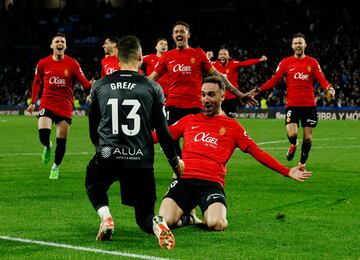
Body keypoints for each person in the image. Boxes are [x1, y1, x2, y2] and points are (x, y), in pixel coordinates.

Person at [152, 76, 312, 249]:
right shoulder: (190, 120)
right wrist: (129, 137)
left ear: (223, 96)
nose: (206, 99)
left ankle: (191, 217)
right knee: (165, 220)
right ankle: (188, 218)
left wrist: (286, 171)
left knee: (216, 223)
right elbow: (159, 136)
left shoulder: (233, 127)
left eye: (211, 95)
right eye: (203, 94)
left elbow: (256, 151)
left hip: (211, 184)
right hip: (185, 181)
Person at [86, 35, 184, 244]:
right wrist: (175, 162)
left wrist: (100, 148)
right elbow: (164, 132)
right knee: (143, 217)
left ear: (117, 58)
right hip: (141, 161)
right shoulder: (152, 87)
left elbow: (93, 128)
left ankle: (106, 217)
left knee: (93, 182)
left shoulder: (100, 86)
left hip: (108, 155)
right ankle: (157, 223)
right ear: (140, 56)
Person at [148, 21, 257, 158]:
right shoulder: (167, 56)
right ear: (172, 36)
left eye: (182, 31)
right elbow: (151, 79)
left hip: (195, 105)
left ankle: (192, 168)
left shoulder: (198, 54)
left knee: (196, 140)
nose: (179, 34)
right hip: (173, 105)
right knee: (170, 139)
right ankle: (178, 169)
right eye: (176, 32)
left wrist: (240, 95)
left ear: (188, 35)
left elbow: (219, 77)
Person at [249, 33, 335, 169]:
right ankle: (293, 144)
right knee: (292, 134)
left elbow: (321, 78)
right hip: (292, 104)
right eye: (295, 43)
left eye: (300, 43)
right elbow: (274, 79)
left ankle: (301, 163)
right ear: (292, 46)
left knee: (308, 138)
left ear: (305, 45)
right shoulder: (286, 62)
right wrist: (259, 89)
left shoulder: (312, 62)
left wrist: (328, 87)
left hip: (309, 104)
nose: (298, 45)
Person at [27, 32, 94, 179]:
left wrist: (91, 85)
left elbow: (84, 83)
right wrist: (33, 102)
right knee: (43, 135)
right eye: (57, 41)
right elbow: (37, 82)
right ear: (52, 45)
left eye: (63, 42)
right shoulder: (43, 63)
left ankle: (55, 167)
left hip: (64, 105)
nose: (60, 44)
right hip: (47, 102)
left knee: (61, 141)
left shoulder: (73, 64)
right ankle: (47, 146)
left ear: (65, 46)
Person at [207, 48, 267, 117]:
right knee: (217, 119)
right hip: (219, 97)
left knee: (230, 119)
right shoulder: (213, 64)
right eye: (220, 54)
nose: (222, 56)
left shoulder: (233, 64)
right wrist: (207, 57)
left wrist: (259, 60)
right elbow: (202, 63)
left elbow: (246, 63)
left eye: (224, 54)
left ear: (228, 57)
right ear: (218, 57)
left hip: (232, 98)